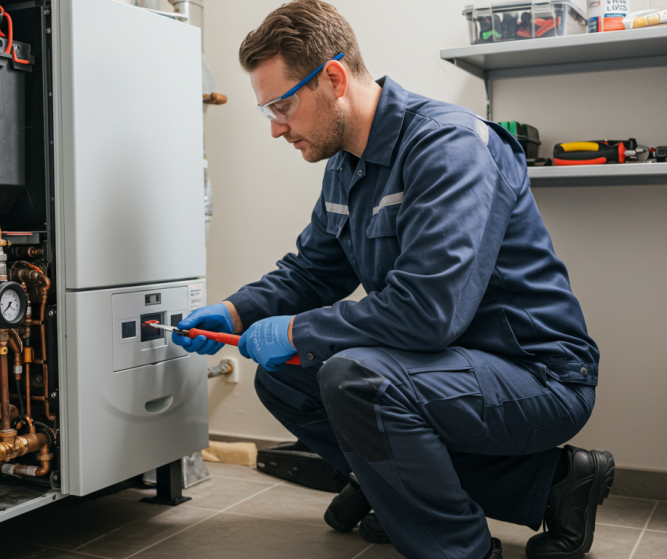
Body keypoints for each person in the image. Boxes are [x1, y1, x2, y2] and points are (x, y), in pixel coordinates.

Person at [173, 2, 612, 558]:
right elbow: (312, 270)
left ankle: (460, 549)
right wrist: (235, 313)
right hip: (441, 368)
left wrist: (295, 333)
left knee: (356, 378)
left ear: (332, 78)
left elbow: (427, 310)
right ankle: (538, 486)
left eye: (282, 105)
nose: (277, 128)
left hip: (534, 373)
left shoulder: (449, 146)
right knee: (284, 379)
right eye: (268, 112)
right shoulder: (345, 163)